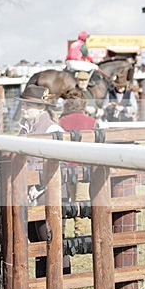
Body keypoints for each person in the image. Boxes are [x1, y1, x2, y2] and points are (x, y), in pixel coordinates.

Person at [16, 85, 71, 289]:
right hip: (30, 195)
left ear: (40, 107)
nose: (24, 108)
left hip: (48, 194)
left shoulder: (52, 129)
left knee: (53, 242)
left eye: (28, 105)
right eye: (24, 104)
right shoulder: (25, 128)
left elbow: (63, 165)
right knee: (37, 243)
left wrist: (39, 187)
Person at [58, 90, 97, 238]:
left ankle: (60, 230)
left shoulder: (61, 122)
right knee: (80, 198)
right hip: (84, 166)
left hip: (66, 166)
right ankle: (79, 233)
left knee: (66, 198)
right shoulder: (91, 122)